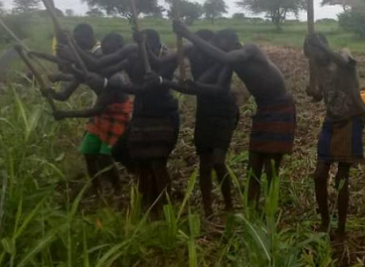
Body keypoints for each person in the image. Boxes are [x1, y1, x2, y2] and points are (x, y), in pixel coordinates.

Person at [172, 22, 295, 208]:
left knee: (271, 166)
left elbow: (224, 57)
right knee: (253, 165)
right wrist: (180, 82)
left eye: (221, 46)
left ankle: (271, 209)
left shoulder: (249, 50)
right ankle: (252, 210)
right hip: (263, 110)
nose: (218, 51)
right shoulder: (228, 61)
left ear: (233, 43)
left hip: (280, 108)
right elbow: (201, 83)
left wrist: (188, 34)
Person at [72, 29, 179, 212]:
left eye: (144, 46)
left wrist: (115, 84)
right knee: (138, 160)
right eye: (138, 46)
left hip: (163, 114)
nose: (138, 50)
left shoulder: (168, 58)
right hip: (141, 114)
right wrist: (73, 50)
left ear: (155, 45)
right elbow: (99, 65)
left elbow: (150, 79)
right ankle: (147, 203)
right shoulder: (132, 56)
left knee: (157, 163)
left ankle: (164, 208)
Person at [39, 33, 132, 198]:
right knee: (89, 153)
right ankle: (97, 190)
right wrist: (50, 92)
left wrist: (65, 114)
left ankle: (118, 191)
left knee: (105, 157)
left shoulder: (116, 78)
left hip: (114, 117)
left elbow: (96, 110)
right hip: (99, 117)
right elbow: (65, 92)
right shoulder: (92, 70)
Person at [304, 33, 365, 242]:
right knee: (319, 175)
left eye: (315, 53)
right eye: (310, 56)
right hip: (331, 120)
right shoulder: (316, 65)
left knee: (342, 177)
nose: (314, 59)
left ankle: (341, 229)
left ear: (324, 47)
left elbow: (346, 64)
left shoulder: (343, 54)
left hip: (351, 119)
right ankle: (325, 223)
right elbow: (320, 94)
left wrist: (323, 48)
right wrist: (313, 92)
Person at [166, 29, 239, 218]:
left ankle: (229, 206)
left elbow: (217, 89)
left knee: (218, 161)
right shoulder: (193, 53)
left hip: (224, 113)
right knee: (204, 164)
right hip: (204, 113)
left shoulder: (222, 59)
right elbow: (162, 63)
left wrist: (188, 85)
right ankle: (208, 209)